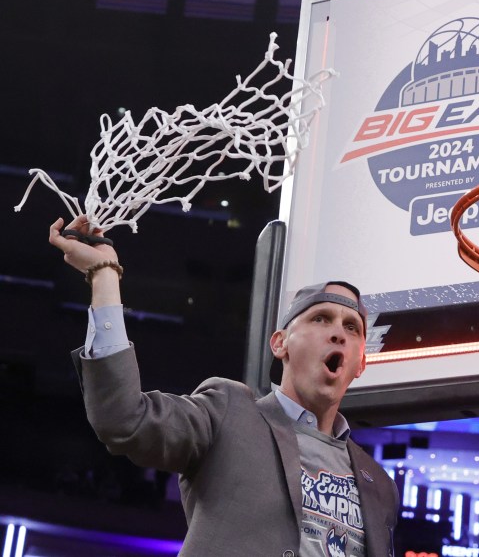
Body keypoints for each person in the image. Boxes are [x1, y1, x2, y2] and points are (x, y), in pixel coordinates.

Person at [50, 214, 398, 557]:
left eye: (352, 327)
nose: (338, 332)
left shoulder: (379, 484)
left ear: (361, 363)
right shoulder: (229, 413)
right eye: (320, 319)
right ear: (280, 344)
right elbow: (125, 418)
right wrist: (105, 275)